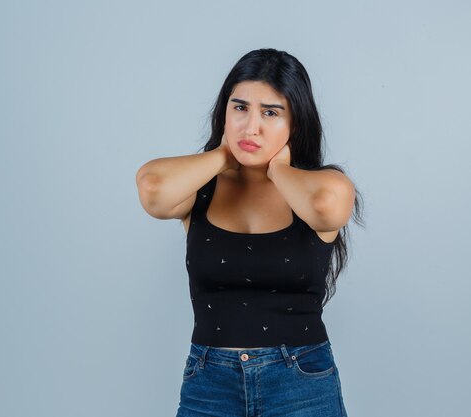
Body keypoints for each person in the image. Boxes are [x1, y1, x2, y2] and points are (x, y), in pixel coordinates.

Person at [135, 48, 364, 417]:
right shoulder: (201, 188)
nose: (250, 127)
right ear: (224, 111)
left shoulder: (318, 186)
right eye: (239, 108)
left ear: (296, 123)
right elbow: (152, 189)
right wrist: (223, 156)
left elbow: (326, 205)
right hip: (210, 382)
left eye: (270, 113)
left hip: (300, 382)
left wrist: (277, 170)